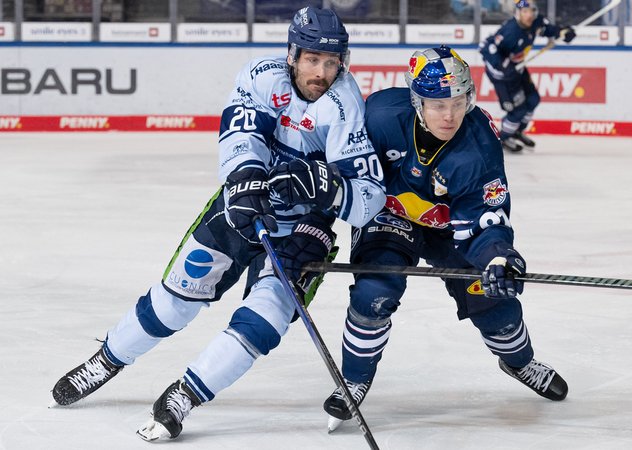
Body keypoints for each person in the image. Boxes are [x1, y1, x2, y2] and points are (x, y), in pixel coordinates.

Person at [50, 6, 386, 442]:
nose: (321, 72)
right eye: (312, 59)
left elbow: (369, 198)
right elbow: (241, 136)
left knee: (264, 320)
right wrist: (246, 177)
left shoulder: (345, 105)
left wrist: (331, 190)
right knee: (175, 300)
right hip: (243, 204)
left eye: (331, 61)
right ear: (292, 54)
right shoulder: (262, 76)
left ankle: (184, 395)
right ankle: (107, 359)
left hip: (303, 227)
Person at [322, 45, 568, 432]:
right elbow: (342, 173)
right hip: (388, 216)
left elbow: (484, 218)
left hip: (450, 227)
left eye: (457, 102)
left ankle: (520, 362)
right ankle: (353, 380)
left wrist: (499, 256)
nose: (449, 115)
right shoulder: (380, 116)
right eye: (437, 105)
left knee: (495, 304)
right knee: (374, 293)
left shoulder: (478, 144)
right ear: (416, 101)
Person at [479, 0, 575, 152]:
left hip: (518, 69)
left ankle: (516, 131)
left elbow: (548, 29)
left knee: (533, 100)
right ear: (518, 13)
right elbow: (485, 46)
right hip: (503, 76)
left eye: (531, 11)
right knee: (518, 110)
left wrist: (563, 32)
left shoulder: (535, 22)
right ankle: (503, 138)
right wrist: (503, 65)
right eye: (524, 12)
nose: (528, 15)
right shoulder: (511, 31)